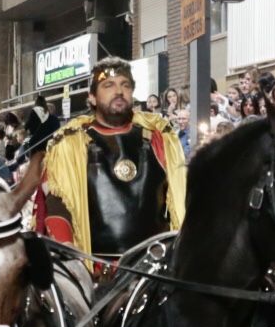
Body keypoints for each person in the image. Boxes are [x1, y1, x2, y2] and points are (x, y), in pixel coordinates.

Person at [42, 57, 188, 256]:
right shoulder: (70, 143)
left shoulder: (159, 136)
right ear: (92, 97)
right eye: (108, 85)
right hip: (96, 271)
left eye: (125, 85)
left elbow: (181, 197)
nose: (119, 91)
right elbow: (55, 201)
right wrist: (67, 246)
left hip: (156, 270)